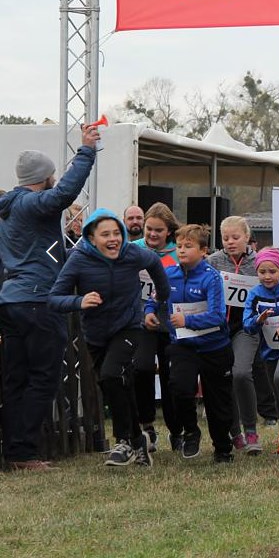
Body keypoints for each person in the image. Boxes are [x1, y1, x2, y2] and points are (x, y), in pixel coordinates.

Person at [0, 124, 99, 471]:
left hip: (12, 301)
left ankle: (14, 449)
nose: (55, 179)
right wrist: (86, 151)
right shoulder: (31, 204)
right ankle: (23, 452)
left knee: (15, 379)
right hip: (39, 300)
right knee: (43, 377)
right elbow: (64, 196)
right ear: (42, 177)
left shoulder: (8, 208)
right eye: (52, 175)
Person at [49, 208, 170, 467]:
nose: (113, 239)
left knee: (111, 375)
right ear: (92, 238)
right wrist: (80, 300)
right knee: (116, 385)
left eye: (117, 233)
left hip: (128, 327)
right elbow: (54, 299)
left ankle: (123, 441)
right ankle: (139, 441)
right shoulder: (79, 258)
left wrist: (162, 295)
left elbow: (154, 263)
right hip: (96, 335)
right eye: (106, 234)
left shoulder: (132, 253)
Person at [145, 224, 235, 463]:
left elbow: (217, 316)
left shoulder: (211, 278)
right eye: (180, 246)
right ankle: (191, 431)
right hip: (183, 345)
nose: (182, 251)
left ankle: (223, 448)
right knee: (179, 388)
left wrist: (188, 320)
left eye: (188, 246)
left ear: (204, 250)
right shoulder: (168, 275)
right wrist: (149, 312)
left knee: (218, 402)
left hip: (214, 347)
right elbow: (155, 297)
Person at [207, 215, 266, 454]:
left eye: (235, 237)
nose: (230, 242)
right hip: (219, 328)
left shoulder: (257, 262)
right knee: (225, 378)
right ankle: (235, 433)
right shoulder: (213, 261)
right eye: (225, 238)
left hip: (246, 327)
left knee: (241, 372)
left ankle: (251, 430)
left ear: (247, 237)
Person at [132, 202, 183, 451]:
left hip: (170, 324)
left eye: (158, 230)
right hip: (143, 322)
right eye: (148, 229)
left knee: (170, 376)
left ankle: (177, 430)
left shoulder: (177, 254)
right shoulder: (132, 250)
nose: (152, 234)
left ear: (169, 232)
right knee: (141, 368)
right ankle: (147, 425)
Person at [242, 247, 279, 455]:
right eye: (262, 272)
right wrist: (258, 320)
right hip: (269, 350)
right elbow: (246, 324)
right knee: (276, 392)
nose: (267, 276)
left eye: (272, 271)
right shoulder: (254, 294)